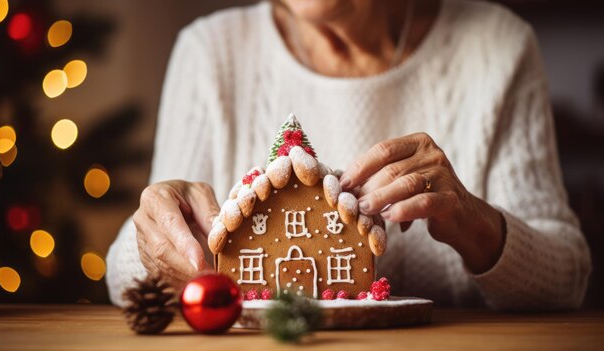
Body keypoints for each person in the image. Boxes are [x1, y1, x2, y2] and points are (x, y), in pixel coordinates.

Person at [106, 0, 591, 310]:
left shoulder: (498, 47)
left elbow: (567, 279)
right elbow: (124, 277)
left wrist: (475, 223)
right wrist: (151, 241)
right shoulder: (208, 52)